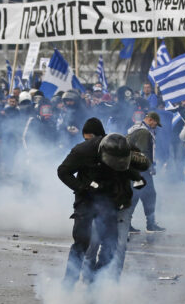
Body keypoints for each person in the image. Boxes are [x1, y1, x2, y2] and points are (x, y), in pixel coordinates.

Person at [57, 121, 148, 287]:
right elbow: (63, 171)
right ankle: (68, 286)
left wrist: (137, 174)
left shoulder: (122, 148)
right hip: (86, 198)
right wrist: (81, 187)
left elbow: (138, 164)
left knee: (111, 243)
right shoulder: (82, 151)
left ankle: (97, 285)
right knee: (82, 242)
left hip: (109, 200)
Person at [126, 111, 165, 233]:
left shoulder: (137, 129)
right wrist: (150, 167)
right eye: (155, 124)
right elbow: (142, 152)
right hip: (140, 169)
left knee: (139, 196)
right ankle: (149, 224)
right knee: (147, 195)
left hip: (134, 168)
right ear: (151, 120)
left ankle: (130, 223)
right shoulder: (144, 132)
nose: (155, 127)